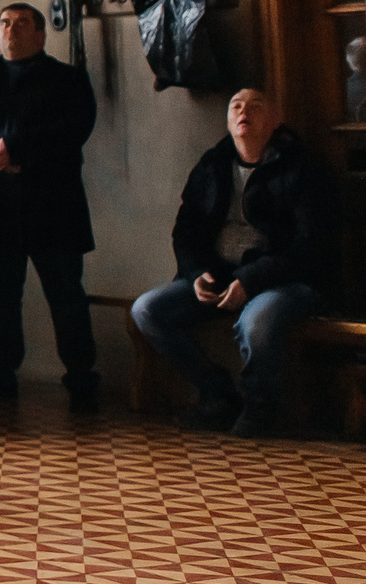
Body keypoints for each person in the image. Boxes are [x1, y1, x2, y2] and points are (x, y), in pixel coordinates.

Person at [130, 86, 340, 437]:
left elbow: (309, 245)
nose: (244, 112)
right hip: (220, 276)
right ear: (228, 120)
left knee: (257, 321)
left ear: (275, 121)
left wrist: (250, 280)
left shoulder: (301, 168)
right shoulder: (212, 165)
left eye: (256, 106)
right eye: (236, 106)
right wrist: (196, 274)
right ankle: (218, 394)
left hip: (286, 281)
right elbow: (186, 232)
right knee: (147, 310)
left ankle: (261, 410)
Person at [0, 2, 101, 408]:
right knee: (0, 296)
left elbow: (74, 128)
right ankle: (1, 376)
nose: (12, 30)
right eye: (5, 23)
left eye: (22, 23)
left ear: (41, 35)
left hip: (52, 207)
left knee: (66, 293)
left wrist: (18, 150)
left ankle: (81, 376)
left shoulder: (68, 80)